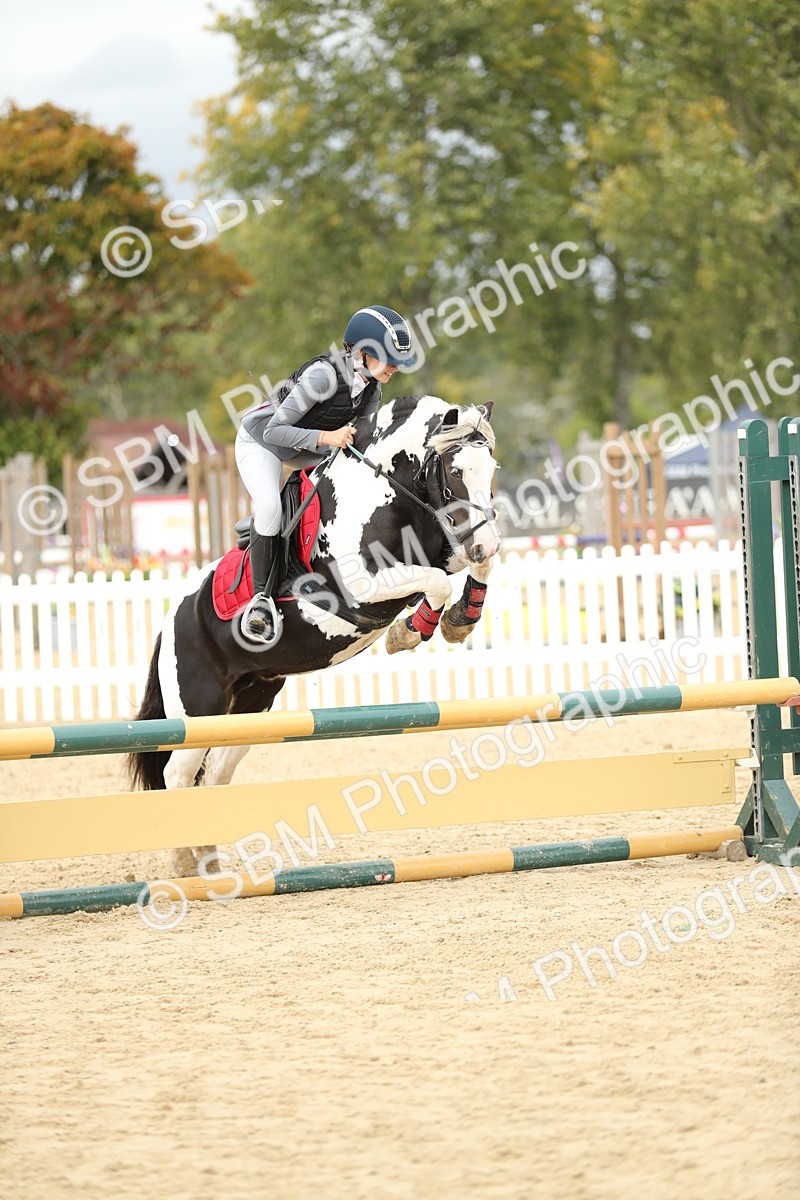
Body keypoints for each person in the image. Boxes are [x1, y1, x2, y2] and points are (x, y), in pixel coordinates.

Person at [234, 305, 417, 642]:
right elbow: (275, 432)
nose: (395, 366)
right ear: (362, 353)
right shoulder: (323, 376)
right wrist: (327, 438)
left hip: (306, 448)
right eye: (388, 358)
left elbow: (362, 440)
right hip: (261, 441)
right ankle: (261, 600)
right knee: (272, 508)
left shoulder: (373, 388)